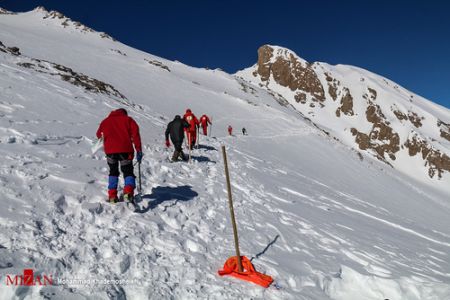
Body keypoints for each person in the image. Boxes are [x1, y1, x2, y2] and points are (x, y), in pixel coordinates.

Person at [96, 108, 142, 203]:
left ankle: (112, 196)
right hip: (125, 151)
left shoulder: (105, 121)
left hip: (110, 152)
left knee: (113, 172)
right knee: (128, 171)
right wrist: (138, 150)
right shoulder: (128, 120)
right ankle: (128, 192)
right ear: (124, 114)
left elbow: (98, 134)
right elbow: (136, 134)